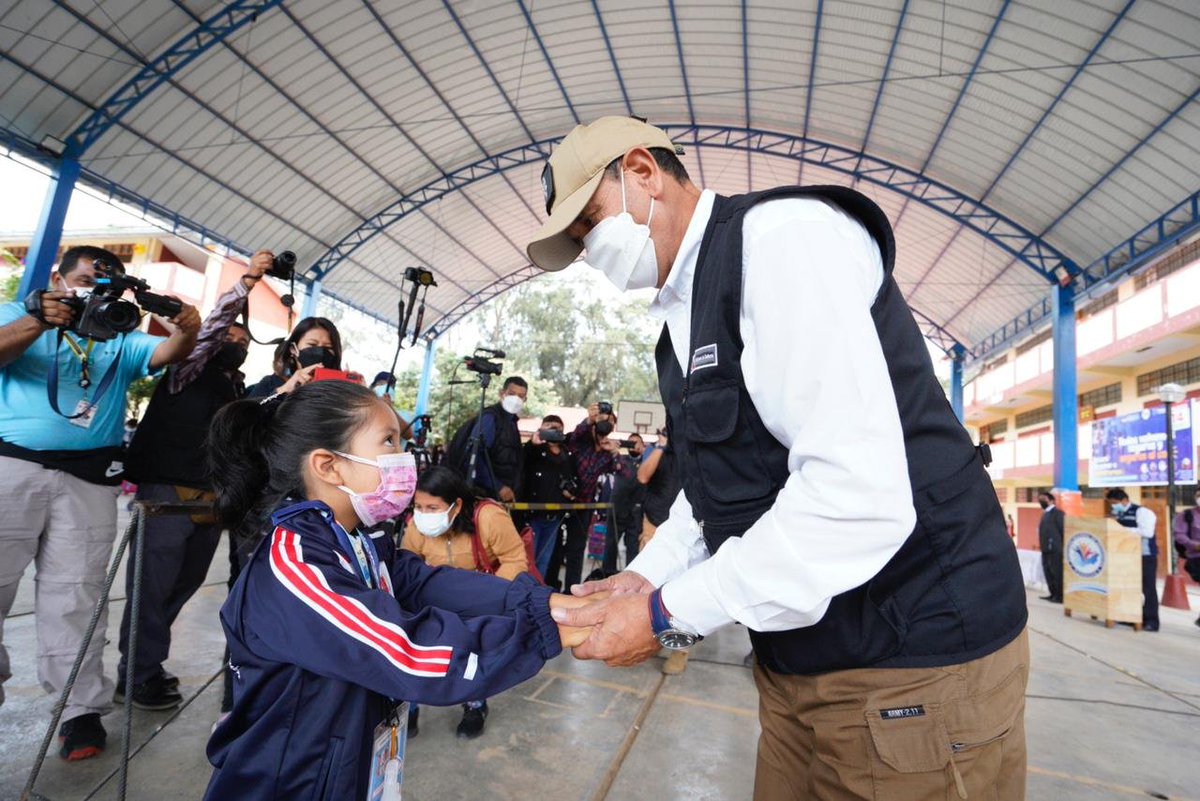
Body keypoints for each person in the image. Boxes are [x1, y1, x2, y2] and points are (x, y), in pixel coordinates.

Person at [530, 117, 1029, 800]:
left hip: (912, 658)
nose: (591, 251)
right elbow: (712, 492)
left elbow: (854, 497)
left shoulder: (779, 242)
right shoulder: (680, 326)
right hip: (800, 664)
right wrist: (641, 578)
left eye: (590, 222)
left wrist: (665, 612)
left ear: (643, 172)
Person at [202, 381, 593, 799]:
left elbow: (429, 583)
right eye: (388, 441)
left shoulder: (358, 542)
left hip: (344, 773)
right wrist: (550, 631)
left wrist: (545, 603)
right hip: (290, 786)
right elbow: (410, 655)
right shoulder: (295, 566)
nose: (404, 458)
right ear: (329, 466)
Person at [0, 245, 200, 760]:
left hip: (90, 480)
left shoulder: (121, 338)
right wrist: (38, 320)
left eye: (108, 283)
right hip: (11, 469)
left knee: (77, 596)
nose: (97, 291)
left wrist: (187, 324)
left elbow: (172, 352)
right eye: (88, 280)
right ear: (59, 281)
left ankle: (79, 712)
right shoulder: (17, 316)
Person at [116, 251, 270, 711]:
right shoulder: (188, 370)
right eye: (229, 334)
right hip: (166, 498)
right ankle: (136, 675)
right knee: (151, 590)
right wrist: (247, 282)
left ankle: (146, 664)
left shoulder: (238, 389)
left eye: (243, 338)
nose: (236, 340)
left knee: (180, 588)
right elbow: (208, 329)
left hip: (209, 507)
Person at [400, 466, 530, 739]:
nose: (423, 515)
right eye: (418, 507)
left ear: (456, 505)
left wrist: (487, 597)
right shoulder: (417, 525)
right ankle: (409, 706)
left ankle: (475, 705)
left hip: (479, 598)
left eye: (432, 507)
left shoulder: (489, 517)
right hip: (434, 598)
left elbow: (515, 558)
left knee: (473, 655)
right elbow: (406, 564)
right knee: (415, 651)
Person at [559, 402, 626, 591]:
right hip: (562, 502)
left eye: (611, 420)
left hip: (585, 507)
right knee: (555, 549)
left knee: (577, 550)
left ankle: (570, 590)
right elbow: (574, 436)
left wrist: (615, 453)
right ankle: (547, 585)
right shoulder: (581, 441)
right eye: (604, 418)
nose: (607, 422)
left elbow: (625, 474)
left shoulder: (607, 453)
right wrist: (589, 419)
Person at [516, 414, 577, 582]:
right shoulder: (534, 450)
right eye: (548, 426)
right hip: (533, 515)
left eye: (557, 427)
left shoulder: (566, 454)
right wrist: (531, 445)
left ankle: (536, 592)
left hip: (555, 517)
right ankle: (522, 591)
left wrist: (570, 492)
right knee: (528, 559)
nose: (553, 429)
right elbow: (519, 464)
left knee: (544, 560)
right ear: (541, 428)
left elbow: (570, 479)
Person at [446, 376, 527, 501]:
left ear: (525, 399)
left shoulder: (512, 422)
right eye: (512, 394)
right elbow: (474, 456)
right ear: (502, 393)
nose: (516, 399)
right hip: (483, 494)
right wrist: (498, 487)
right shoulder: (490, 418)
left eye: (521, 396)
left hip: (499, 496)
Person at [244, 316, 343, 398]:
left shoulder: (338, 390)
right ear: (293, 349)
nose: (320, 352)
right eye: (312, 344)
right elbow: (242, 418)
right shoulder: (271, 383)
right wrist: (283, 390)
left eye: (328, 347)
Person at [1107, 488, 1159, 632]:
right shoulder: (1118, 513)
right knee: (1128, 587)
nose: (1113, 506)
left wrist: (1120, 529)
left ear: (1124, 500)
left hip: (1145, 555)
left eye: (1115, 503)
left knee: (1147, 589)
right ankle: (1130, 617)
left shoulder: (1142, 512)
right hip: (1126, 556)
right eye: (1111, 504)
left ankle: (1151, 621)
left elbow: (1147, 532)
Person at [606, 433, 645, 573]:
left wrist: (646, 453)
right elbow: (619, 470)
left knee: (633, 547)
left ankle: (630, 574)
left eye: (636, 443)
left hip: (636, 511)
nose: (633, 445)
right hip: (617, 508)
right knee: (610, 545)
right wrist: (615, 451)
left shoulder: (647, 461)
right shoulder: (621, 460)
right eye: (630, 443)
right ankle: (607, 573)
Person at [637, 428, 679, 550]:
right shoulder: (653, 449)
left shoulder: (687, 451)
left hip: (679, 522)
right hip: (654, 520)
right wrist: (661, 446)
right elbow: (642, 477)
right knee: (648, 564)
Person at [1173, 488, 1200, 628]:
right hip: (1196, 557)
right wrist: (1194, 545)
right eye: (1198, 495)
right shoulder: (1187, 515)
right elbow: (1179, 535)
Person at [1037, 491, 1064, 603]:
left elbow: (1062, 530)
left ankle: (1059, 595)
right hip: (1045, 548)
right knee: (1048, 571)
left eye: (1044, 499)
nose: (1041, 501)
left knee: (1056, 572)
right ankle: (1052, 593)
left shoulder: (1058, 513)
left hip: (1055, 548)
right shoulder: (1045, 514)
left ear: (1051, 500)